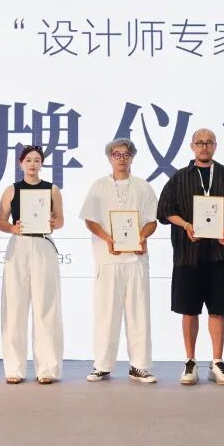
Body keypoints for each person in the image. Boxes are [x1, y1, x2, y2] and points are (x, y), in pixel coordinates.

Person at [157, 128, 224, 386]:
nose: (204, 146)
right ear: (192, 146)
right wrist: (186, 225)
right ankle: (190, 361)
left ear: (215, 145)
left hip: (220, 253)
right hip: (188, 254)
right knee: (189, 310)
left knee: (219, 309)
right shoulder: (178, 178)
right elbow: (165, 211)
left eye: (209, 142)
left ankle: (217, 362)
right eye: (200, 142)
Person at [79, 138, 158, 383]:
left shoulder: (143, 187)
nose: (122, 159)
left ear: (132, 157)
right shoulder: (99, 186)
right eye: (117, 154)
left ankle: (140, 366)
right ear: (109, 158)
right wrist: (108, 239)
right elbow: (90, 219)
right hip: (108, 259)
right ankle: (102, 365)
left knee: (139, 313)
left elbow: (151, 221)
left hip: (136, 260)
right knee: (106, 314)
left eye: (126, 154)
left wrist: (142, 237)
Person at [0, 145, 65, 384]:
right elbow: (0, 221)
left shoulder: (52, 189)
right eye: (28, 160)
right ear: (21, 164)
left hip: (43, 244)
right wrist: (12, 227)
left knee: (46, 307)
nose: (32, 164)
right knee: (14, 307)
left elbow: (60, 219)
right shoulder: (11, 190)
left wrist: (53, 223)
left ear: (41, 163)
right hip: (19, 245)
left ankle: (47, 368)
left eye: (37, 160)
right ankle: (14, 368)